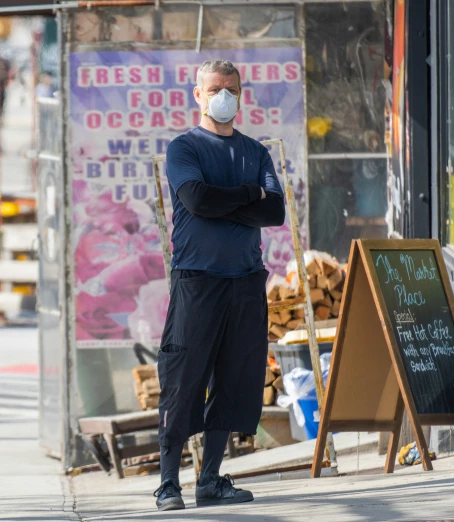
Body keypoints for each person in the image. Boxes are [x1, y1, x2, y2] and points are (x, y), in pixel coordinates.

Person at [153, 59, 286, 511]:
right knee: (183, 379)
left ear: (241, 93)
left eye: (230, 88)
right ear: (197, 94)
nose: (222, 96)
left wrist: (228, 201)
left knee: (233, 381)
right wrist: (249, 194)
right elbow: (196, 199)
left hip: (245, 280)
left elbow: (275, 214)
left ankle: (209, 479)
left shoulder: (256, 152)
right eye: (214, 88)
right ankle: (168, 483)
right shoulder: (184, 148)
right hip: (197, 280)